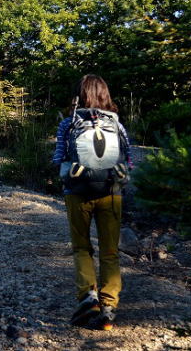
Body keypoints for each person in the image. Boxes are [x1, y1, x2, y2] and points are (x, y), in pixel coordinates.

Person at [52, 74, 132, 330]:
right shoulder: (117, 125)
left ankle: (88, 297)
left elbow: (58, 160)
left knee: (82, 248)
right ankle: (109, 307)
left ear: (78, 96)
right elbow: (128, 161)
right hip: (111, 193)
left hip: (77, 193)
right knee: (110, 252)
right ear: (105, 95)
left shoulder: (68, 124)